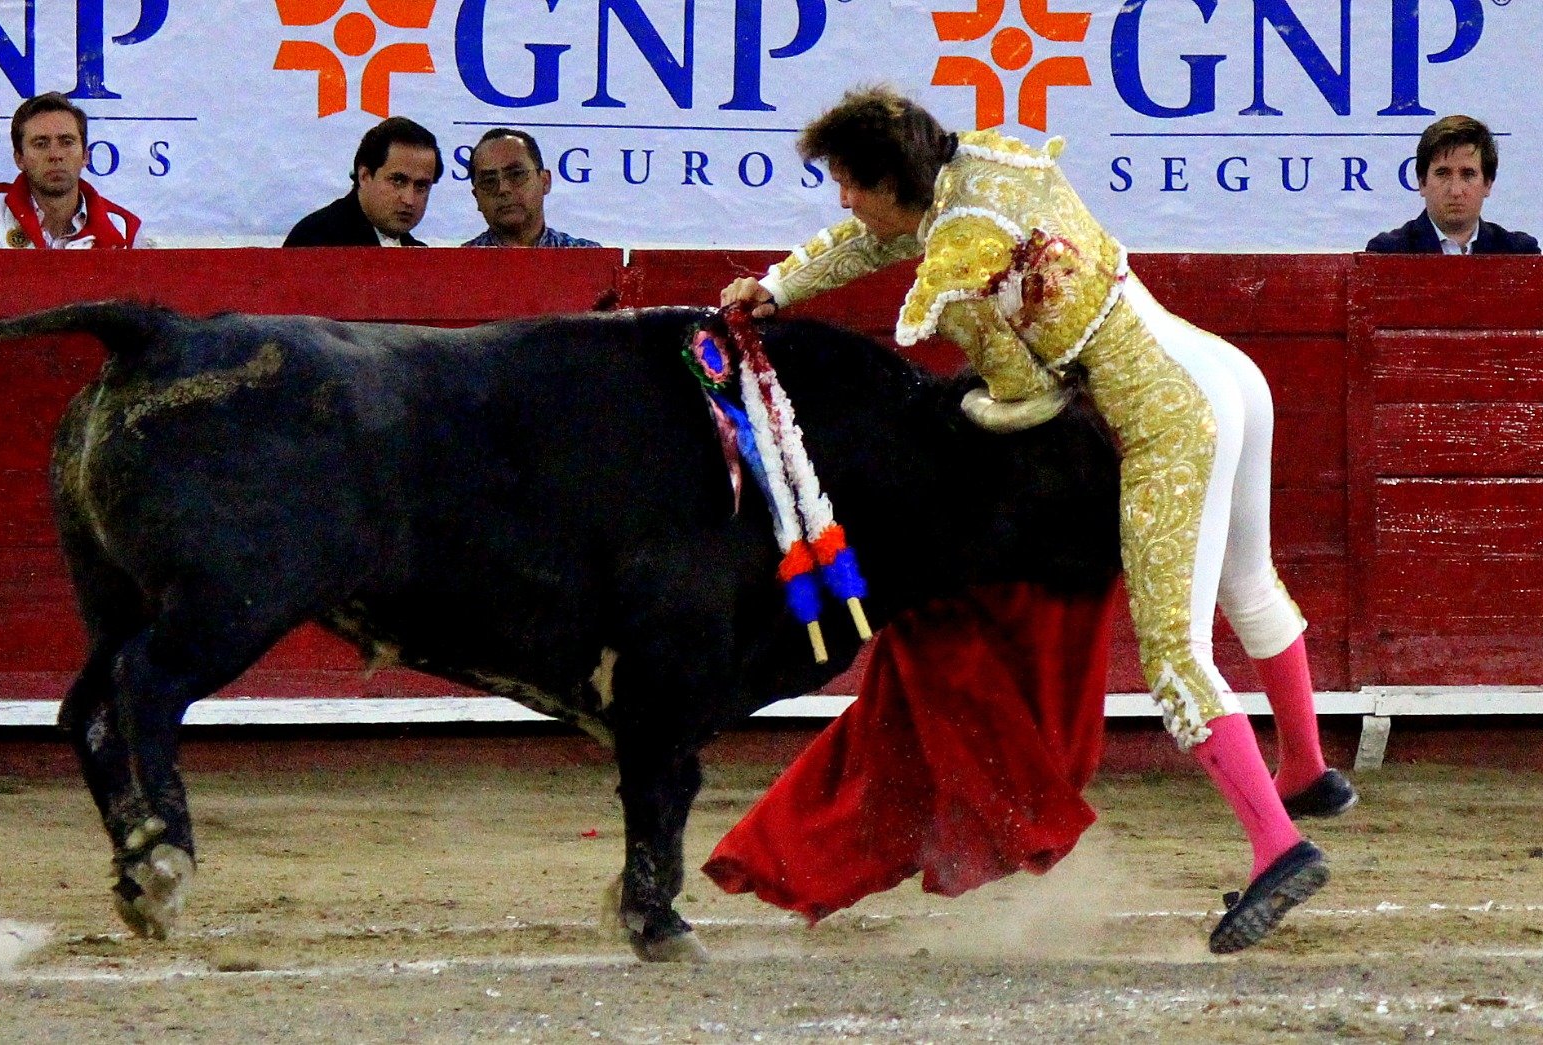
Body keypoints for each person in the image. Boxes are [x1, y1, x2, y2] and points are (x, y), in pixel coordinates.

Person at [709, 86, 1357, 954]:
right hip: (1219, 369)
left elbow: (1025, 397)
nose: (843, 199)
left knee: (1175, 654)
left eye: (851, 182)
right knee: (1249, 582)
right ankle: (1306, 768)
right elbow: (881, 237)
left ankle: (1279, 844)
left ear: (892, 180)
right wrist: (781, 284)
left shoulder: (959, 268)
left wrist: (967, 409)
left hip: (1167, 415)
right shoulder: (987, 159)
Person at [0, 93, 143, 249]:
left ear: (85, 156)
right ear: (19, 158)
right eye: (41, 144)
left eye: (67, 142)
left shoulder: (124, 229)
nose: (55, 155)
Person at [1366, 115, 1538, 255]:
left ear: (1488, 183)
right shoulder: (1388, 252)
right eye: (1442, 174)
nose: (1455, 191)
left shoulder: (1519, 253)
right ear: (1422, 182)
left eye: (1468, 174)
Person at [284, 117, 443, 247]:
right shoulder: (316, 239)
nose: (409, 200)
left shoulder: (420, 255)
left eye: (421, 186)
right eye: (398, 181)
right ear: (364, 176)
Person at [462, 128, 600, 247]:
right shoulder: (459, 263)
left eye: (516, 174)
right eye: (489, 181)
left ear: (545, 181)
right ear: (476, 197)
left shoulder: (589, 257)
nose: (503, 189)